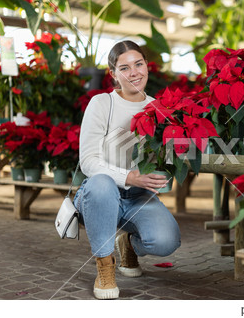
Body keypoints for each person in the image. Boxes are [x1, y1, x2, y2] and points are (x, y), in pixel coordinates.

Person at [73, 40, 181, 300]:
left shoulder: (159, 108)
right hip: (98, 196)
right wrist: (129, 176)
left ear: (146, 66)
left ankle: (129, 243)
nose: (134, 72)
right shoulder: (102, 104)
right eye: (125, 68)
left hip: (138, 197)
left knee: (167, 242)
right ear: (113, 75)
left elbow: (165, 159)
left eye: (138, 64)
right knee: (101, 183)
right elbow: (88, 161)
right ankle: (105, 265)